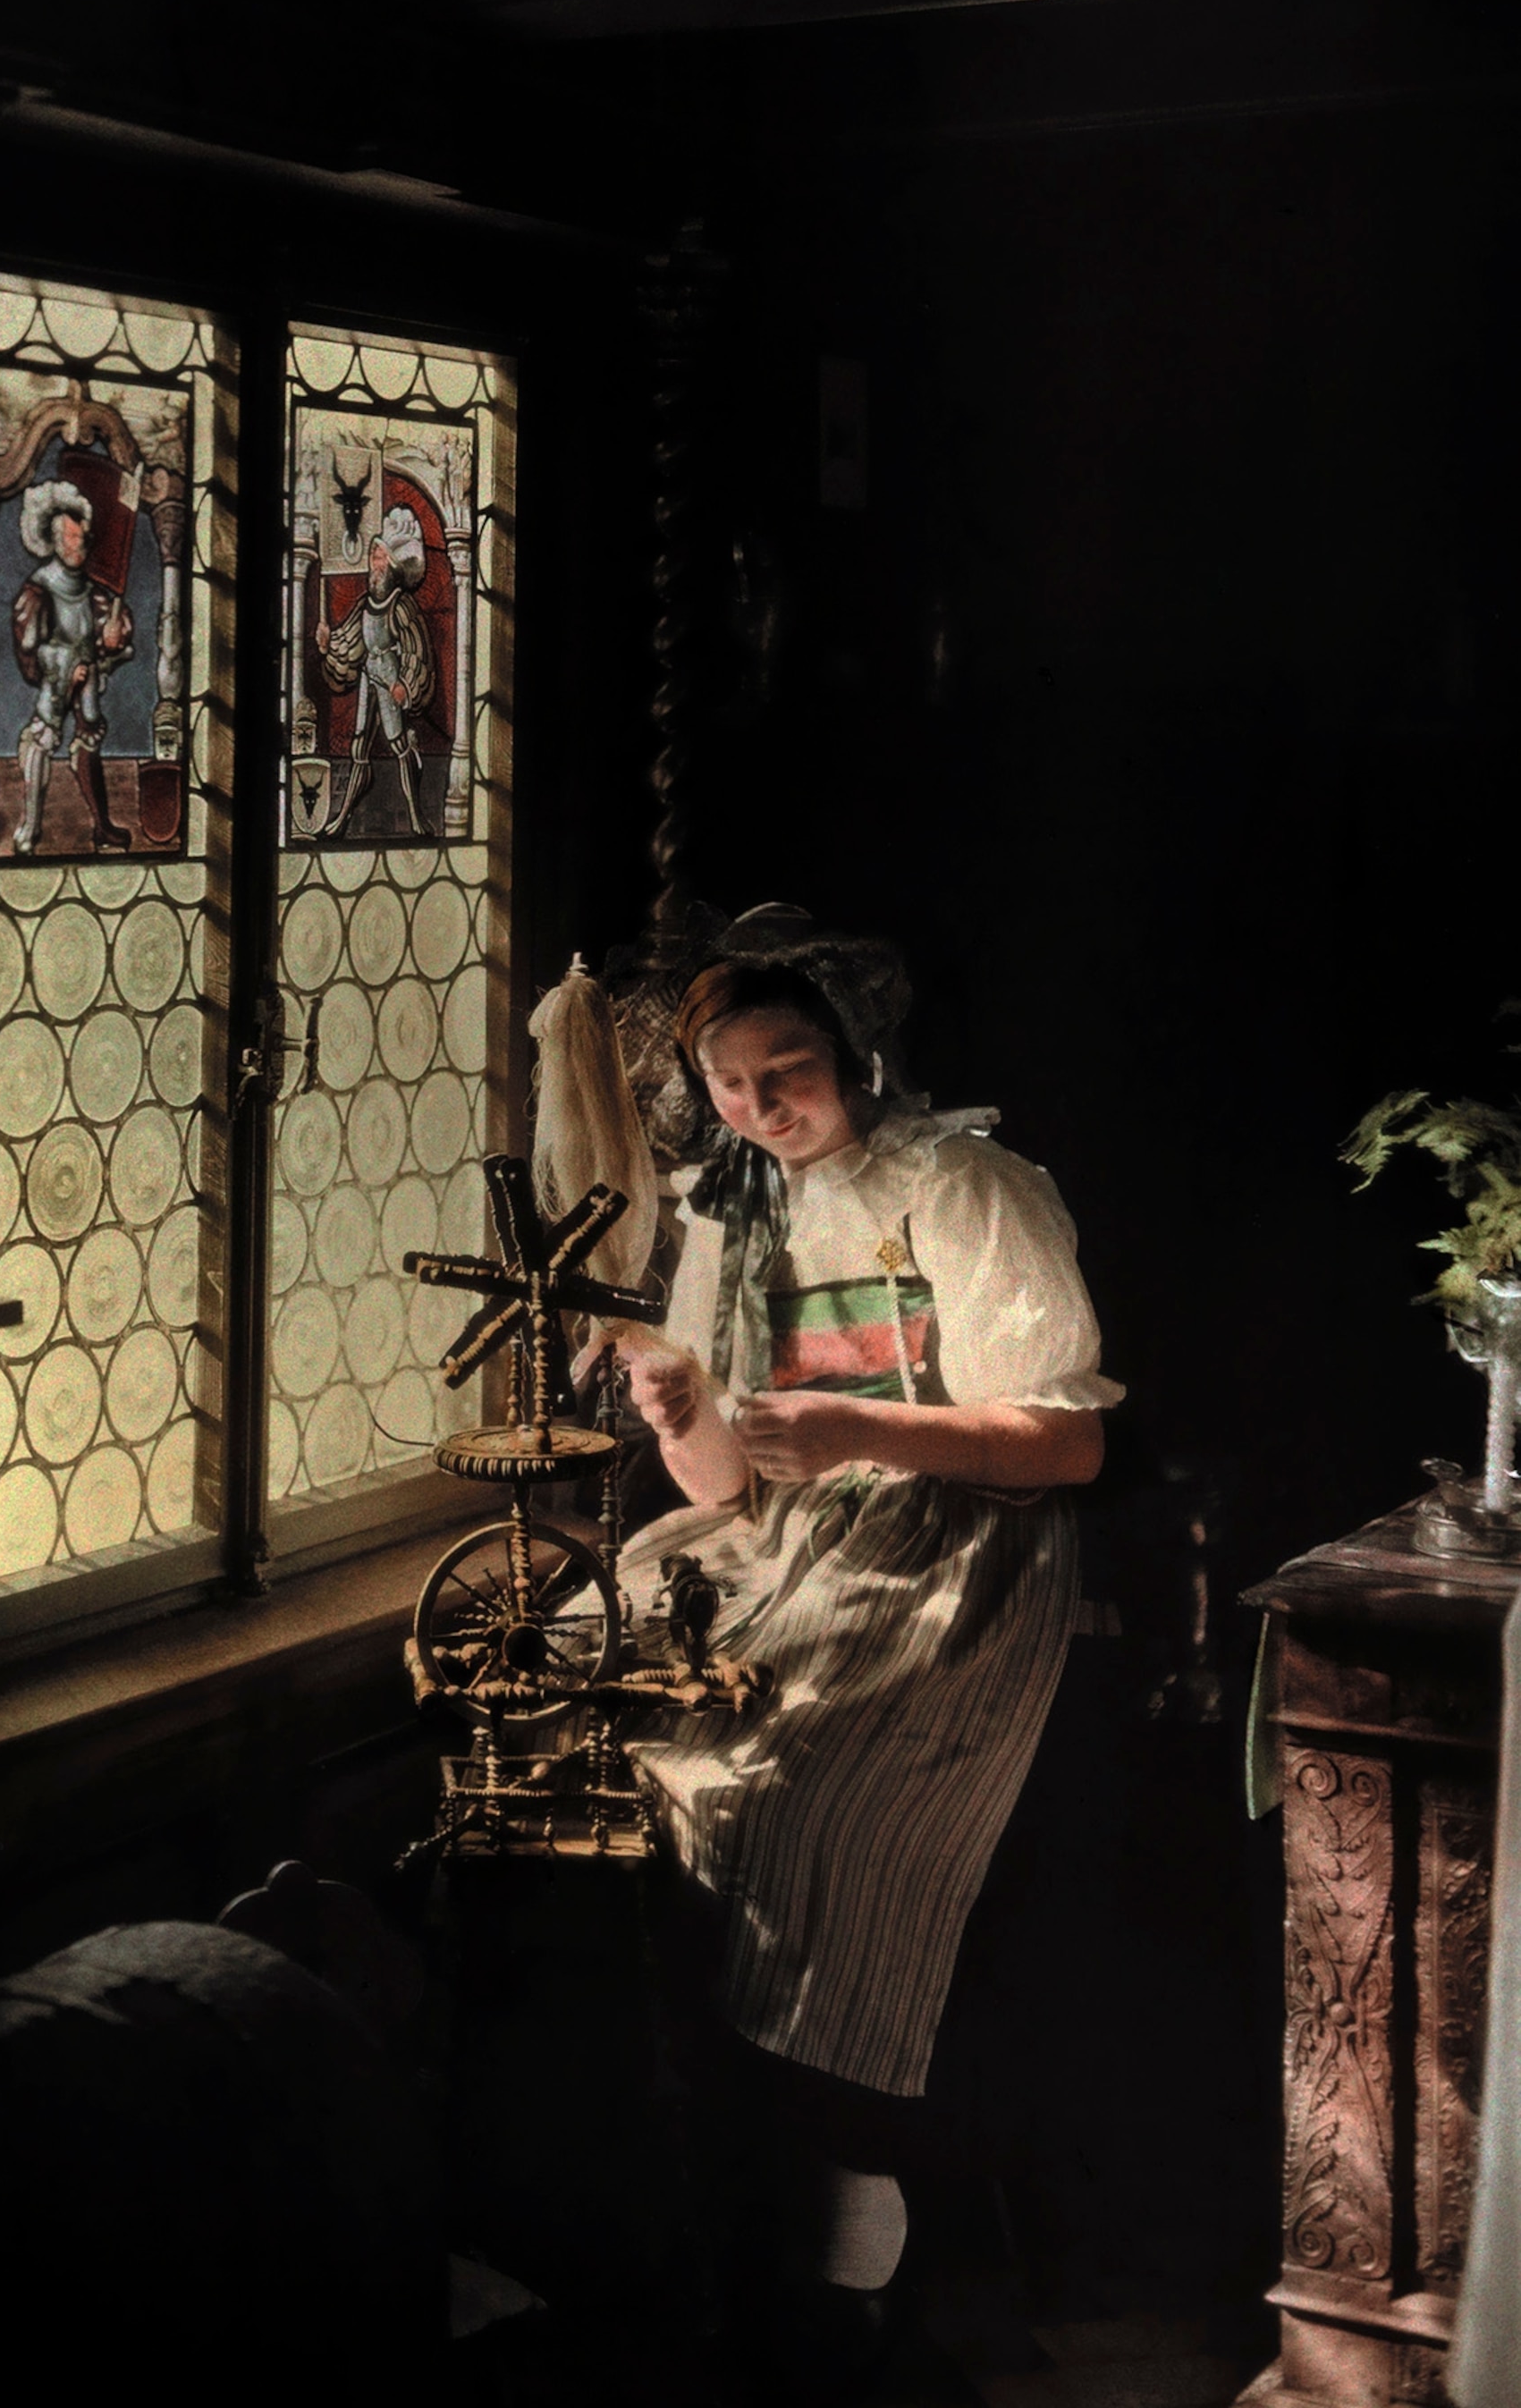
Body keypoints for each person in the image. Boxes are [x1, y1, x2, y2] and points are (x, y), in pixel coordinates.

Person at [610, 914, 1122, 2355]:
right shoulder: (728, 1216)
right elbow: (724, 1488)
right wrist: (681, 1419)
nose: (763, 1108)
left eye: (790, 1070)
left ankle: (841, 2153)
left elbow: (1066, 1445)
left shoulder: (959, 1181)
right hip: (782, 1547)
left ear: (855, 1053)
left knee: (792, 1793)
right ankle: (689, 2148)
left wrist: (854, 1427)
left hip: (954, 1550)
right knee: (616, 1737)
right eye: (728, 1082)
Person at [11, 478, 135, 854]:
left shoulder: (94, 592)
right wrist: (68, 667)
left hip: (87, 681)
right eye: (70, 536)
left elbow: (102, 636)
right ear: (54, 540)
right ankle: (30, 829)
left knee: (88, 744)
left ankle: (102, 827)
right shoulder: (39, 590)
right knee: (41, 740)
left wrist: (111, 638)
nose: (78, 542)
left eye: (80, 536)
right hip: (57, 680)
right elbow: (29, 650)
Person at [313, 503, 437, 837]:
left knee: (398, 746)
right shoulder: (366, 604)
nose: (375, 565)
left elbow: (415, 647)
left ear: (394, 567)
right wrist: (328, 644)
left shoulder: (400, 604)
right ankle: (341, 822)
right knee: (359, 750)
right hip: (370, 677)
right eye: (374, 557)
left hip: (391, 680)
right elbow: (351, 641)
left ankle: (416, 817)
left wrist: (405, 686)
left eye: (381, 559)